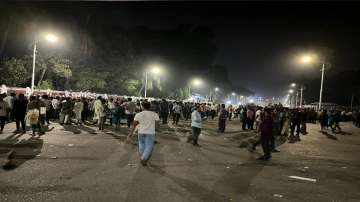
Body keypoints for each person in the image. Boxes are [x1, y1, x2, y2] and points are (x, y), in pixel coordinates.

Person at [127, 102, 160, 166]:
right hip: (150, 132)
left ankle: (143, 156)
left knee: (141, 144)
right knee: (149, 146)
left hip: (141, 132)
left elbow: (134, 125)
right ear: (150, 107)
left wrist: (131, 133)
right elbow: (157, 124)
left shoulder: (138, 114)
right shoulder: (155, 114)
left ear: (142, 107)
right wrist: (156, 129)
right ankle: (143, 158)